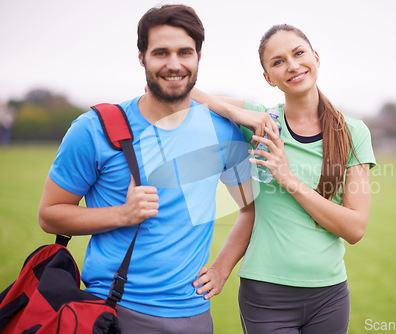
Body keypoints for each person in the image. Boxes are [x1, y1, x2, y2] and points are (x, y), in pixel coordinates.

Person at [38, 4, 254, 334]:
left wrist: (223, 268)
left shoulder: (223, 131)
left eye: (185, 52)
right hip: (114, 311)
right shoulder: (94, 129)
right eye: (161, 53)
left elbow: (249, 208)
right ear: (142, 58)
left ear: (198, 57)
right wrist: (122, 214)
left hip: (195, 315)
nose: (174, 64)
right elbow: (50, 214)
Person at [191, 24, 376, 334]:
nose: (292, 65)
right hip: (266, 297)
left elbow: (355, 228)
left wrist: (288, 178)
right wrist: (239, 114)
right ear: (268, 77)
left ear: (315, 57)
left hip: (330, 295)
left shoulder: (352, 132)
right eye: (278, 61)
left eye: (298, 53)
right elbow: (181, 92)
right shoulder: (262, 123)